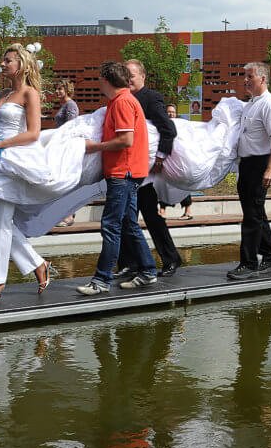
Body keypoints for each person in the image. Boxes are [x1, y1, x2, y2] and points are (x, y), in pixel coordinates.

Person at [0, 45, 55, 304]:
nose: (2, 63)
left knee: (0, 219)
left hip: (11, 159)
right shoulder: (2, 92)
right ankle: (37, 263)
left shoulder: (30, 93)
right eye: (3, 59)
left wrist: (0, 145)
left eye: (7, 60)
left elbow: (33, 133)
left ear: (22, 64)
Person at [76, 61, 159, 295]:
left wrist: (95, 147)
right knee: (127, 223)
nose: (98, 83)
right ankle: (148, 271)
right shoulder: (120, 100)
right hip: (128, 171)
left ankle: (101, 280)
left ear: (106, 79)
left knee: (110, 224)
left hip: (124, 172)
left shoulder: (122, 102)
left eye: (100, 79)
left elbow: (126, 140)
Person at [115, 59, 183, 278]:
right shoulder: (120, 98)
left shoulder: (150, 98)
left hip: (145, 173)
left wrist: (161, 158)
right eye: (125, 75)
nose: (128, 79)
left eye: (132, 75)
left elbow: (168, 130)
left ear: (143, 76)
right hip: (126, 170)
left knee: (151, 218)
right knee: (125, 219)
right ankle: (129, 263)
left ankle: (171, 259)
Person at [227, 61, 271, 281]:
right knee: (255, 212)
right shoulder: (251, 104)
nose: (245, 80)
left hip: (260, 164)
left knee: (252, 216)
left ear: (262, 79)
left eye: (250, 76)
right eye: (245, 76)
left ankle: (249, 263)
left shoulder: (269, 104)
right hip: (247, 164)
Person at [159, 103, 194, 220]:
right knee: (163, 184)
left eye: (173, 112)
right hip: (166, 158)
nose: (171, 114)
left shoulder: (181, 125)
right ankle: (162, 210)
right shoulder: (161, 124)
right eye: (169, 112)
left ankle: (188, 210)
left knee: (182, 186)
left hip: (179, 160)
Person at [53, 79, 80, 227]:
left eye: (60, 89)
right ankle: (65, 214)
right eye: (57, 89)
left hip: (67, 148)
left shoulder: (70, 105)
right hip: (60, 147)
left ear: (67, 90)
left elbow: (71, 126)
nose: (57, 92)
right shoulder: (64, 105)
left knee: (67, 183)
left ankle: (69, 216)